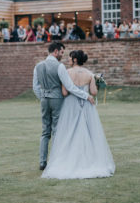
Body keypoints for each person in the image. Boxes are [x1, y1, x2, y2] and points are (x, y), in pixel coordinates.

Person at [41, 50, 115, 179]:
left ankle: (69, 160)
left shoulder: (67, 73)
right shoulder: (90, 74)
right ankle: (90, 160)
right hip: (87, 105)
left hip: (71, 105)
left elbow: (64, 93)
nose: (68, 60)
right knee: (89, 132)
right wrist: (97, 84)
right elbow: (93, 92)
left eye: (70, 58)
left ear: (75, 59)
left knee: (69, 132)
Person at [33, 42, 96, 171]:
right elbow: (70, 87)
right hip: (57, 100)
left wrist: (43, 97)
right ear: (55, 51)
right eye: (61, 52)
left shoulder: (38, 66)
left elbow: (35, 86)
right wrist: (86, 95)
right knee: (57, 130)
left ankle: (42, 162)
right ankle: (55, 160)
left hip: (44, 100)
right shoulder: (59, 66)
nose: (62, 55)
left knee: (45, 131)